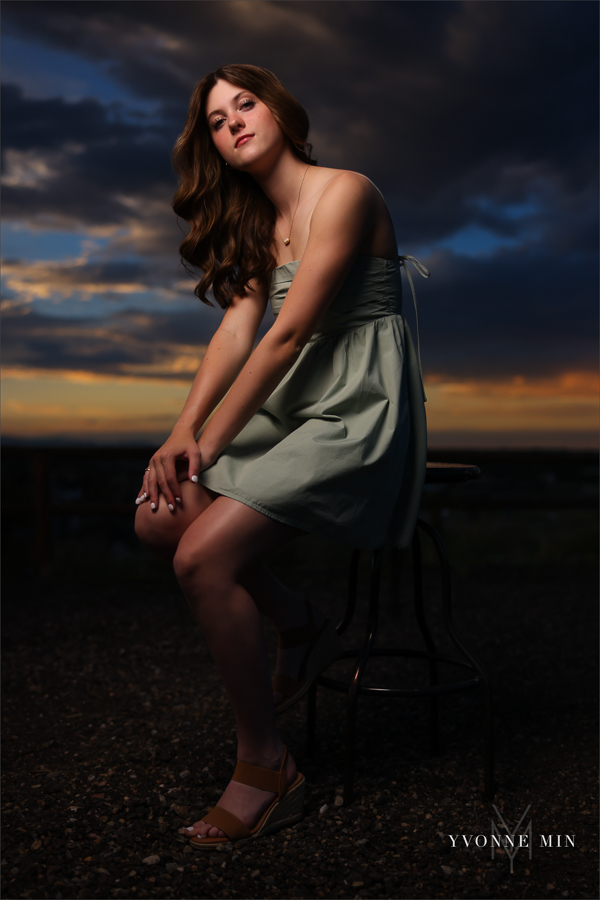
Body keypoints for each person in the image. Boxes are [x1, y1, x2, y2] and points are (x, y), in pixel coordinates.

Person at [134, 64, 427, 849]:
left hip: (357, 405)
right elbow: (238, 330)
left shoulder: (347, 192)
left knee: (201, 560)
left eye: (246, 102)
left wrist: (208, 444)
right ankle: (299, 620)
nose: (233, 122)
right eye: (217, 120)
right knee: (160, 519)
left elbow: (290, 335)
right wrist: (178, 432)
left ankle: (266, 766)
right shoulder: (262, 224)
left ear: (280, 109)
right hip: (294, 401)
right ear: (215, 150)